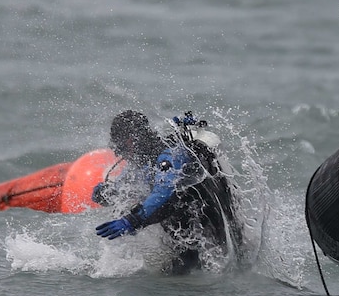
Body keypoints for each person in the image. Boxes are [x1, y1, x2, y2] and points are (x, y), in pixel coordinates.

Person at [93, 110, 241, 273]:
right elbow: (125, 186)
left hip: (209, 215)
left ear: (130, 141)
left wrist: (132, 220)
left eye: (118, 143)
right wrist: (107, 193)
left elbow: (164, 191)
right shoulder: (142, 160)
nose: (116, 151)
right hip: (188, 220)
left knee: (191, 263)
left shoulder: (169, 154)